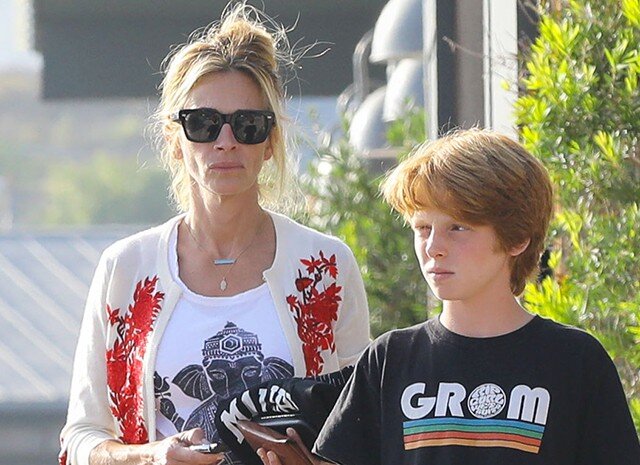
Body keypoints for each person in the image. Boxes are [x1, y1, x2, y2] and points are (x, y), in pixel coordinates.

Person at [58, 4, 370, 465]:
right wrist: (154, 456)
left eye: (248, 125)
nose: (226, 141)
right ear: (174, 139)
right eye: (203, 123)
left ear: (270, 142)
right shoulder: (126, 268)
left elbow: (363, 425)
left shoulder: (324, 267)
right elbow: (82, 437)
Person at [258, 129, 640, 465]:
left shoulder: (576, 362)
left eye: (458, 227)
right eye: (422, 227)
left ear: (518, 237)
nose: (433, 247)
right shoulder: (389, 359)